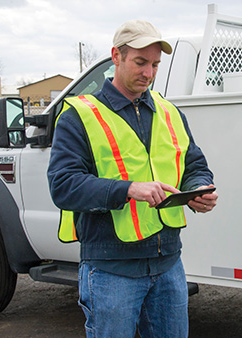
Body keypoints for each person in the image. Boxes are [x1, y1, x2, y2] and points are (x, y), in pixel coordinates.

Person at [47, 19, 218, 337]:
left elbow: (194, 165)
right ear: (116, 56)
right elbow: (63, 185)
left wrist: (198, 189)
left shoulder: (170, 113)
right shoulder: (79, 116)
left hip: (168, 263)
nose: (149, 73)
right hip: (111, 269)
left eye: (155, 64)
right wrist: (128, 189)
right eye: (140, 62)